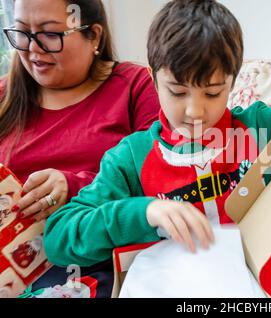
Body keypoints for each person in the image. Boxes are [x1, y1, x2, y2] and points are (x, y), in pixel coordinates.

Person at [44, 0, 271, 298]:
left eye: (212, 93)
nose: (194, 111)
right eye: (177, 92)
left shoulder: (260, 130)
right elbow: (59, 238)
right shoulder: (130, 158)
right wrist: (144, 212)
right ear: (153, 78)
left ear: (233, 83)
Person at [0, 0, 160, 298]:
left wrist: (74, 186)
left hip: (94, 259)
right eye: (22, 32)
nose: (33, 49)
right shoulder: (5, 96)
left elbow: (161, 177)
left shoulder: (133, 86)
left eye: (50, 34)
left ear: (94, 36)